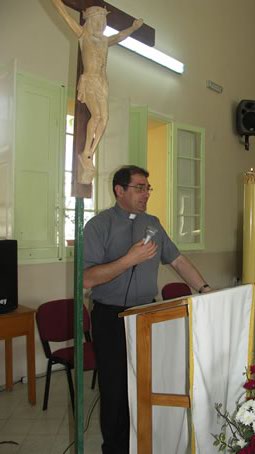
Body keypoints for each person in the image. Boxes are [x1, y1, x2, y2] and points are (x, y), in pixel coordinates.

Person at [83, 165, 211, 453]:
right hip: (110, 317)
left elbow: (178, 261)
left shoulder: (153, 224)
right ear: (120, 191)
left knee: (146, 385)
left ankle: (144, 442)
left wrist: (204, 289)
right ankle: (115, 448)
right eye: (139, 188)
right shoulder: (98, 226)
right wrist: (128, 260)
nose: (146, 194)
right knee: (115, 389)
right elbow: (87, 278)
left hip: (148, 316)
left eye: (147, 188)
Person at [52, 0, 143, 184]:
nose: (101, 24)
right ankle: (86, 152)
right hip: (90, 79)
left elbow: (119, 36)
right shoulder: (83, 34)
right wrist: (57, 3)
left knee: (105, 118)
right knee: (97, 115)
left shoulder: (104, 40)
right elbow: (65, 16)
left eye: (103, 21)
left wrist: (133, 28)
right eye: (98, 20)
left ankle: (89, 153)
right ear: (91, 20)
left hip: (102, 82)